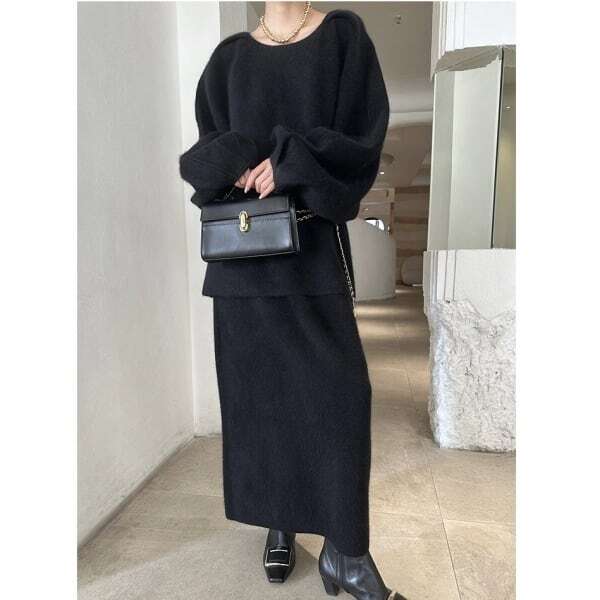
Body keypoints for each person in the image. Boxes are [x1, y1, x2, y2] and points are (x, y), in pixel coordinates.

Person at [180, 3, 405, 599]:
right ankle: (279, 523)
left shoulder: (341, 38)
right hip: (243, 266)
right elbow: (204, 158)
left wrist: (290, 163)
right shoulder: (228, 60)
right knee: (263, 404)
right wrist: (239, 163)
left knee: (342, 398)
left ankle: (346, 552)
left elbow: (361, 143)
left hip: (312, 254)